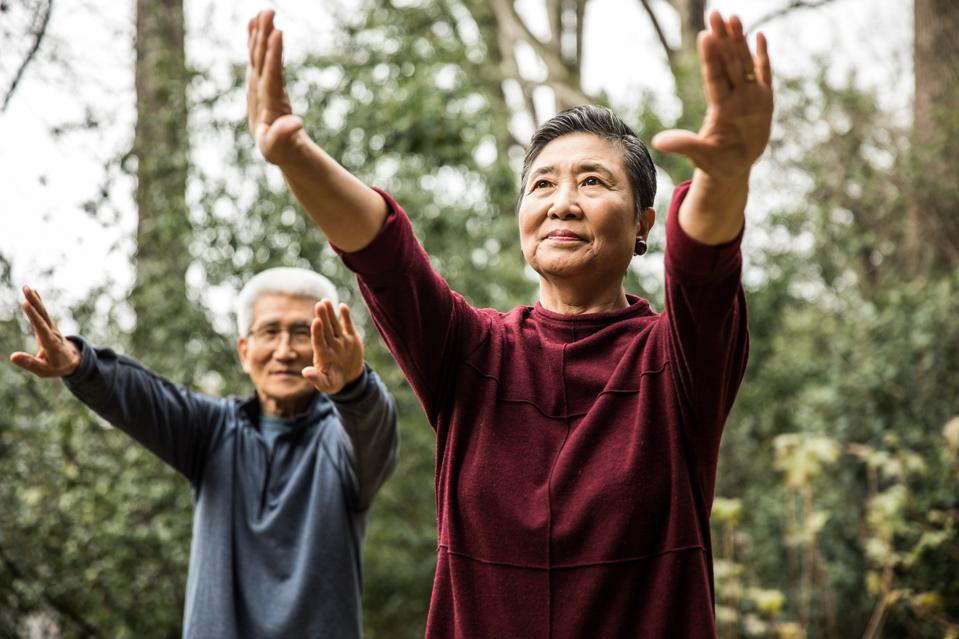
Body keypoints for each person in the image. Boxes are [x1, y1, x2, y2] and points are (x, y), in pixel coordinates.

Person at [247, 6, 771, 637]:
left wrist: (727, 175)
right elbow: (388, 258)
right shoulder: (472, 354)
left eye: (593, 182)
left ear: (642, 226)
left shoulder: (675, 363)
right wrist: (294, 154)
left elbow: (704, 275)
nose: (563, 203)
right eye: (542, 185)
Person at [9, 267, 399, 639]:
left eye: (302, 333)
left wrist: (354, 386)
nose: (285, 350)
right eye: (269, 332)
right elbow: (146, 398)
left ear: (326, 346)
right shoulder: (214, 432)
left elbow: (373, 430)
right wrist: (80, 365)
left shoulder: (342, 444)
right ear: (245, 351)